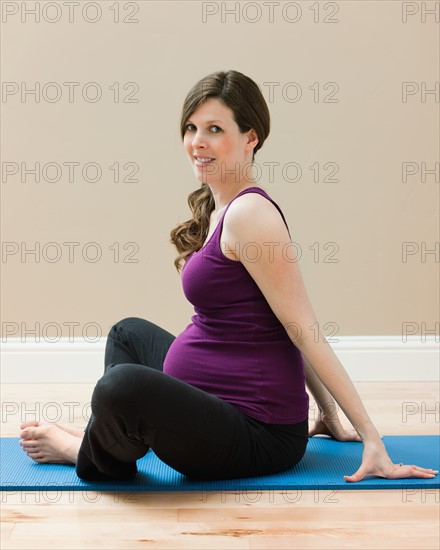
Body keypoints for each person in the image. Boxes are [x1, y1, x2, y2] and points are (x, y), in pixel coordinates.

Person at [19, 70, 437, 483]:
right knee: (127, 333)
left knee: (121, 387)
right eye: (191, 127)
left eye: (215, 129)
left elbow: (302, 329)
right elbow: (276, 318)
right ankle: (102, 441)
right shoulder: (223, 208)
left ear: (250, 138)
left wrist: (371, 439)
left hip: (258, 433)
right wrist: (326, 414)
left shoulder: (251, 216)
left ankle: (87, 451)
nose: (197, 142)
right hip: (215, 402)